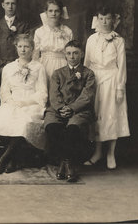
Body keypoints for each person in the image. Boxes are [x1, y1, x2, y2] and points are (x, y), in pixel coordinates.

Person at [0, 34, 47, 174]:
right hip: (13, 101)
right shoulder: (8, 68)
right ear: (16, 48)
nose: (23, 50)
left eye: (27, 46)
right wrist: (12, 102)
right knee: (1, 118)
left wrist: (25, 102)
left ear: (33, 49)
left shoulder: (39, 67)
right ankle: (15, 159)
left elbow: (42, 92)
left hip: (32, 102)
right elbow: (4, 91)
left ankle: (6, 157)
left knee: (24, 121)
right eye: (20, 46)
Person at [83, 6, 130, 169]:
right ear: (97, 19)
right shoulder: (91, 39)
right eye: (101, 18)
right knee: (96, 116)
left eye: (108, 18)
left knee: (111, 115)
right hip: (95, 79)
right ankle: (97, 152)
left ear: (113, 20)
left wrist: (119, 88)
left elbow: (121, 66)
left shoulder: (119, 41)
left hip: (112, 78)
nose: (104, 22)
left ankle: (111, 153)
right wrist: (84, 83)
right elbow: (86, 63)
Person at [44, 40, 96, 182]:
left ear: (82, 54)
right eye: (69, 53)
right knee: (52, 127)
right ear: (65, 55)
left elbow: (87, 96)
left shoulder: (88, 74)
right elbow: (54, 95)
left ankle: (65, 165)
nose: (72, 57)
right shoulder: (57, 73)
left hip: (79, 110)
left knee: (72, 129)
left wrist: (72, 108)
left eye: (75, 53)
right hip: (57, 110)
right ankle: (67, 163)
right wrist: (61, 108)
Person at [33, 0, 73, 82]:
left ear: (61, 12)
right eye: (50, 11)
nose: (53, 14)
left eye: (56, 11)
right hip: (44, 65)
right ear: (46, 12)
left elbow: (71, 53)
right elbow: (35, 55)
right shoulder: (40, 32)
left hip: (63, 65)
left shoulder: (67, 31)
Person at [0, 0, 28, 70]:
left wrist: (19, 65)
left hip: (19, 66)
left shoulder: (24, 26)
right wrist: (0, 66)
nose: (10, 7)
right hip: (0, 67)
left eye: (13, 4)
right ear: (3, 5)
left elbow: (27, 47)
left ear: (16, 5)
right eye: (7, 3)